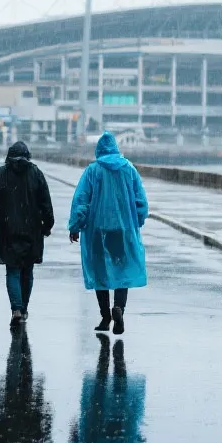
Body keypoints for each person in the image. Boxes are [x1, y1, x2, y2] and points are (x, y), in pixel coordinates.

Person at [67, 132, 148, 335]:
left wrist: (75, 226)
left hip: (97, 231)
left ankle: (105, 316)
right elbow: (141, 202)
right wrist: (136, 221)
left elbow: (81, 201)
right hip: (122, 230)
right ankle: (119, 307)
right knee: (122, 271)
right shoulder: (129, 169)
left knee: (99, 271)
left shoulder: (92, 171)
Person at [0, 142, 55, 326]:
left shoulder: (1, 173)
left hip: (7, 229)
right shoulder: (36, 174)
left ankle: (16, 308)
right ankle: (23, 308)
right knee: (28, 270)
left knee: (13, 270)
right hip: (31, 229)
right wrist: (47, 225)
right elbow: (46, 203)